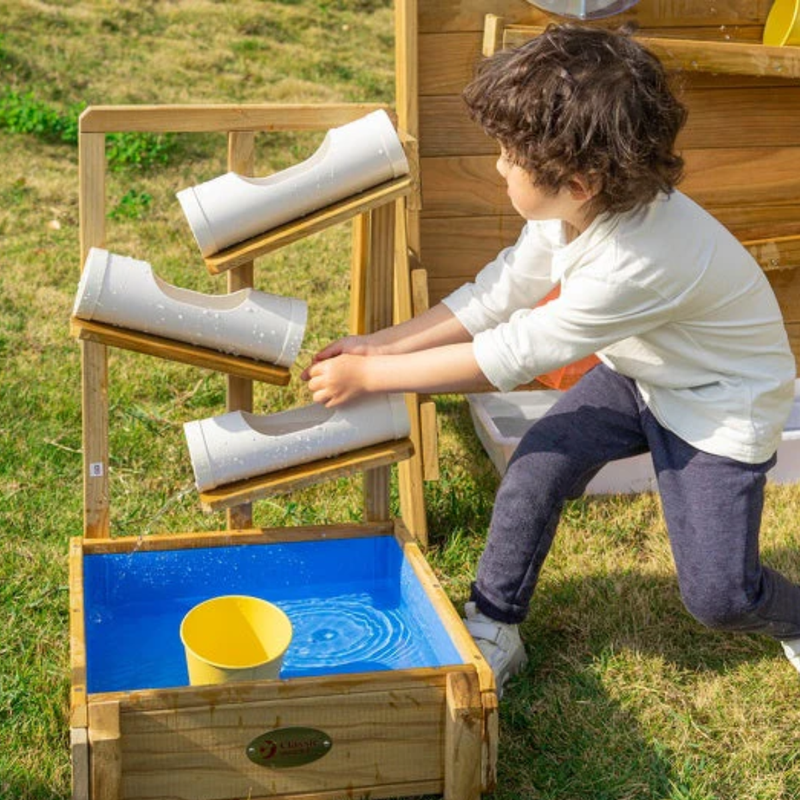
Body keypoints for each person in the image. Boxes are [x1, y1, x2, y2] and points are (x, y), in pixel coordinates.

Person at [301, 24, 800, 695]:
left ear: (579, 179)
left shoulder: (637, 260)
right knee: (537, 464)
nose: (499, 165)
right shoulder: (569, 206)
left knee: (719, 597)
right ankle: (497, 621)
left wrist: (370, 378)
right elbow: (500, 294)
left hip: (718, 403)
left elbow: (508, 355)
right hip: (642, 372)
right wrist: (381, 345)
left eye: (509, 156)